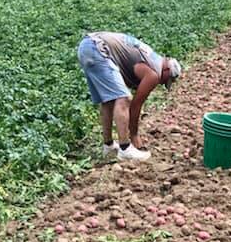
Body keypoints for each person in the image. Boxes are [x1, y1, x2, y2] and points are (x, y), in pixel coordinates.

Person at [77, 31, 182, 161]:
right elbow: (135, 105)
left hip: (87, 46)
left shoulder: (152, 58)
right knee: (124, 98)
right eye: (167, 80)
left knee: (108, 100)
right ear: (166, 70)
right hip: (99, 49)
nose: (163, 83)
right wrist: (134, 135)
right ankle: (125, 148)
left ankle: (108, 146)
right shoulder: (154, 74)